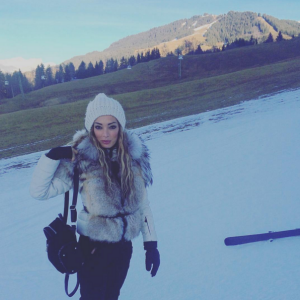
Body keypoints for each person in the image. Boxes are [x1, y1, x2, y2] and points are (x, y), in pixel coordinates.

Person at [30, 93, 160, 300]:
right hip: (93, 249)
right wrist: (52, 156)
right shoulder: (81, 160)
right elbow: (39, 192)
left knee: (112, 296)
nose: (105, 134)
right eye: (98, 127)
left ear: (120, 126)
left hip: (124, 249)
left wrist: (151, 245)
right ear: (91, 129)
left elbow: (143, 207)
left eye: (112, 125)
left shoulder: (134, 158)